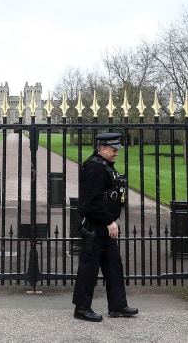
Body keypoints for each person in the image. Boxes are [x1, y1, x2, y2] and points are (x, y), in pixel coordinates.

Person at [72, 132, 139, 322]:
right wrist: (109, 221)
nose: (116, 153)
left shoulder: (104, 166)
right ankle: (82, 308)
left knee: (113, 265)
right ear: (102, 148)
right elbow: (93, 201)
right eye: (113, 150)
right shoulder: (94, 167)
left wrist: (111, 219)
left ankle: (118, 305)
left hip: (104, 224)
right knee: (89, 266)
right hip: (95, 225)